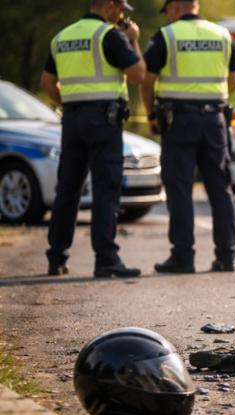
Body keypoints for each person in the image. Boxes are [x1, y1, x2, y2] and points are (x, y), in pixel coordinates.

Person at [40, 0, 145, 278]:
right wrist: (133, 40)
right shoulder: (109, 36)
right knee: (106, 189)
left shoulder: (62, 37)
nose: (122, 15)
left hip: (73, 120)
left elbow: (47, 83)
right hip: (104, 121)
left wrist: (73, 105)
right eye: (121, 9)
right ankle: (106, 259)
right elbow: (138, 74)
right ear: (109, 6)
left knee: (68, 190)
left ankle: (56, 258)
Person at [141, 0, 235, 274]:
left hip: (178, 121)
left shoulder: (167, 36)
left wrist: (151, 116)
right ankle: (226, 256)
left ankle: (183, 257)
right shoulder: (222, 34)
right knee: (220, 188)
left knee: (180, 189)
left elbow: (147, 81)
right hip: (215, 120)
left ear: (175, 7)